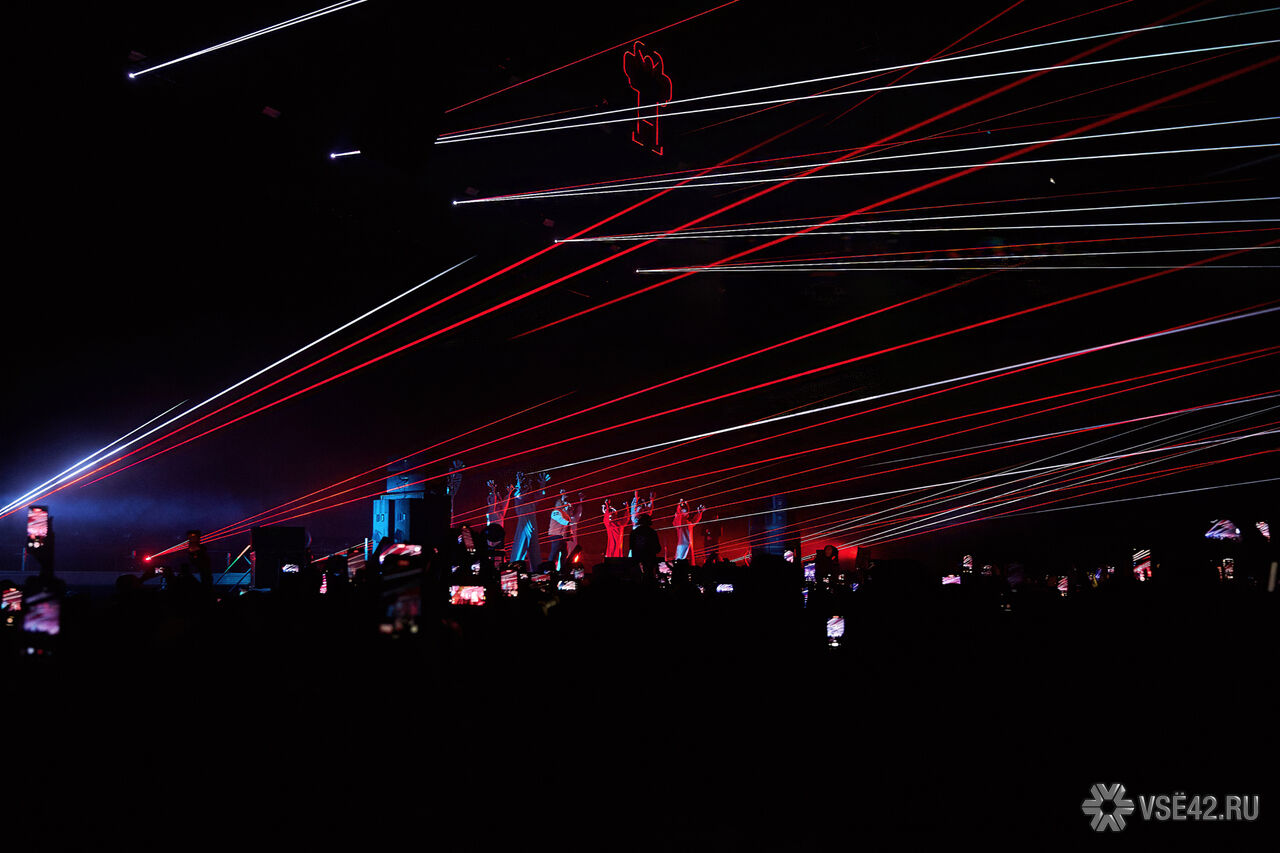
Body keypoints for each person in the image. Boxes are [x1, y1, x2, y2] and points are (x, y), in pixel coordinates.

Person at [510, 471, 550, 567]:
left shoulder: (532, 502)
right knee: (519, 548)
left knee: (535, 551)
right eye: (526, 487)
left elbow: (540, 495)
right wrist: (519, 483)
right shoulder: (519, 499)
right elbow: (518, 494)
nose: (528, 489)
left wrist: (542, 484)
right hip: (524, 525)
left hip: (532, 526)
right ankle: (514, 568)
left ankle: (536, 570)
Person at [548, 490, 575, 569]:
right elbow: (560, 519)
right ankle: (549, 569)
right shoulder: (555, 511)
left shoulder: (564, 513)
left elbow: (567, 524)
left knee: (564, 553)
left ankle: (562, 569)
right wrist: (568, 523)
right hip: (556, 535)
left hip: (561, 536)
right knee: (554, 553)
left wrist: (570, 535)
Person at [673, 499, 705, 564]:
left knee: (688, 562)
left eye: (686, 510)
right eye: (683, 510)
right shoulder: (679, 521)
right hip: (682, 545)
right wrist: (680, 505)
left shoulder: (688, 522)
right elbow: (678, 516)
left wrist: (699, 512)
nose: (685, 511)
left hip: (689, 545)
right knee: (680, 560)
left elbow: (695, 520)